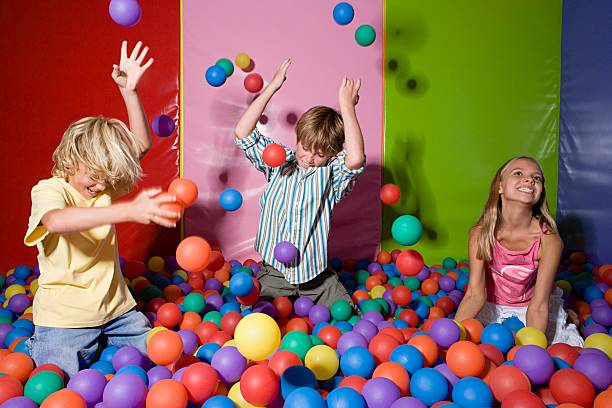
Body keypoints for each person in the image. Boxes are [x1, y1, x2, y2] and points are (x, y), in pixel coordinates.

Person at [24, 41, 180, 376]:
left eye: (108, 179)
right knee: (53, 383)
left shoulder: (103, 184)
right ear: (71, 159)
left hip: (118, 313)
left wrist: (129, 91)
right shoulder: (50, 190)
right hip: (65, 320)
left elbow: (140, 144)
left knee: (164, 364)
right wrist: (126, 211)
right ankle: (35, 344)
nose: (100, 186)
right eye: (94, 177)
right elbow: (55, 221)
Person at [233, 59, 365, 308]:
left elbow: (356, 158)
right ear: (298, 139)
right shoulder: (279, 162)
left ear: (333, 155)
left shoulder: (331, 177)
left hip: (317, 278)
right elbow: (243, 132)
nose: (309, 158)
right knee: (253, 320)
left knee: (347, 317)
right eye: (306, 147)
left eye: (320, 154)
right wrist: (272, 87)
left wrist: (347, 106)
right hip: (275, 274)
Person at [454, 156, 583, 346]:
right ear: (500, 186)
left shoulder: (549, 240)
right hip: (491, 306)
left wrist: (533, 350)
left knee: (553, 346)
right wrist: (455, 335)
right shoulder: (480, 233)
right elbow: (475, 294)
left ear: (540, 192)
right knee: (476, 343)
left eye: (536, 178)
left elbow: (539, 305)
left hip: (530, 308)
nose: (530, 180)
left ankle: (566, 314)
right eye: (518, 173)